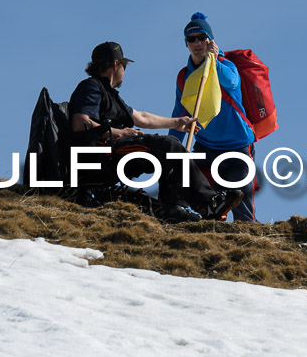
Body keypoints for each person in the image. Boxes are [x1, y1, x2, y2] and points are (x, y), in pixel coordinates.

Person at [68, 41, 243, 223]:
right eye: (124, 66)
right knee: (168, 145)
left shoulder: (110, 95)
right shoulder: (91, 87)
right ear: (115, 65)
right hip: (101, 157)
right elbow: (80, 123)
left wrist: (177, 123)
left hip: (112, 153)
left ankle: (179, 206)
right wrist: (118, 133)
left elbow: (142, 118)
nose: (124, 72)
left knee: (167, 148)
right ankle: (201, 204)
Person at [169, 13, 257, 222]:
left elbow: (232, 83)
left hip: (237, 146)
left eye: (202, 38)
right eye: (192, 39)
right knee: (205, 201)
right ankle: (213, 239)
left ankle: (249, 242)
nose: (197, 43)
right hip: (206, 147)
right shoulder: (184, 76)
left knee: (240, 200)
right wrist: (174, 147)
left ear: (211, 41)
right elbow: (180, 112)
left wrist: (215, 61)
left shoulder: (225, 66)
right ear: (186, 44)